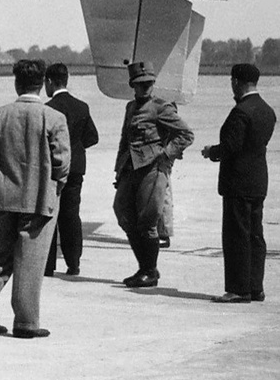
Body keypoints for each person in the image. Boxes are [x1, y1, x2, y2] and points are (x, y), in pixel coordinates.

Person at [0, 59, 69, 339]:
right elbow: (62, 163)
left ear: (17, 84)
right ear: (41, 85)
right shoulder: (54, 118)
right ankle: (26, 323)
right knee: (30, 261)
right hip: (39, 201)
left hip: (5, 198)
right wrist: (52, 187)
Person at [113, 61, 193, 289]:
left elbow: (186, 134)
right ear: (133, 85)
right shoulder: (130, 108)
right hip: (131, 169)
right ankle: (145, 267)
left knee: (147, 220)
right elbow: (124, 140)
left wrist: (166, 155)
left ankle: (149, 271)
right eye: (141, 84)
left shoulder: (161, 106)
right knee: (123, 213)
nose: (145, 87)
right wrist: (119, 170)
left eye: (149, 83)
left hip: (152, 169)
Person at [200, 63, 275, 303]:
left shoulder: (241, 112)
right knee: (255, 235)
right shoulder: (267, 111)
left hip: (238, 183)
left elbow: (232, 146)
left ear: (236, 82)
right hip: (258, 180)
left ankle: (238, 288)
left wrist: (212, 151)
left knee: (236, 236)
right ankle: (255, 287)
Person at [42, 62, 99, 277]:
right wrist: (75, 149)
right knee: (71, 216)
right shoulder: (82, 107)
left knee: (49, 216)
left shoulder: (48, 108)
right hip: (75, 169)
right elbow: (93, 137)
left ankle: (47, 266)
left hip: (53, 170)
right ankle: (73, 264)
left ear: (49, 81)